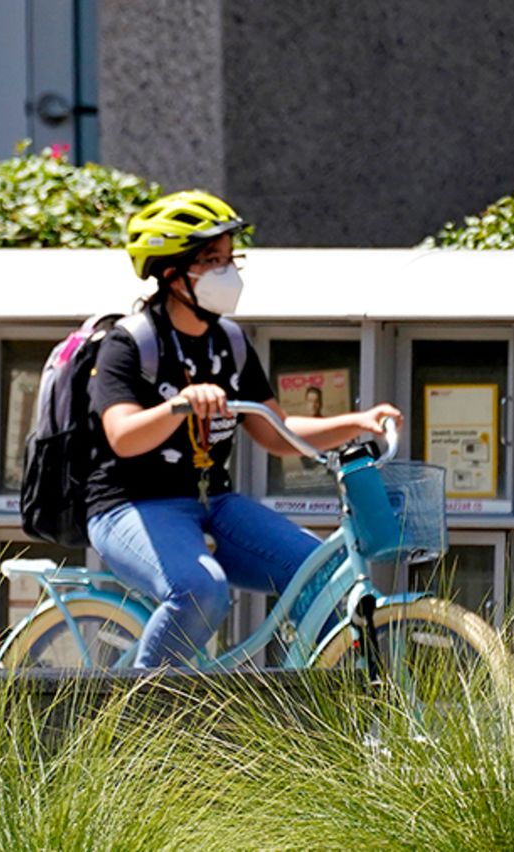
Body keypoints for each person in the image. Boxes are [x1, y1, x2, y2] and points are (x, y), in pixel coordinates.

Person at [85, 190, 402, 668]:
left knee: (320, 572)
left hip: (213, 501)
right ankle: (138, 717)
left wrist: (356, 421)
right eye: (211, 260)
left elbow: (277, 432)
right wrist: (178, 406)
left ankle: (307, 704)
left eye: (231, 259)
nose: (226, 272)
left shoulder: (230, 342)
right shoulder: (130, 343)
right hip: (129, 506)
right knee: (199, 591)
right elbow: (123, 436)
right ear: (171, 274)